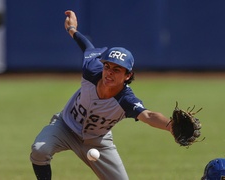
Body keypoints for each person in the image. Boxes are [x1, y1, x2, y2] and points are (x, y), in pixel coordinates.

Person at [30, 10, 173, 180]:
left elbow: (148, 115)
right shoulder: (92, 70)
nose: (109, 73)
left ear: (127, 75)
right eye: (107, 67)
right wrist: (72, 28)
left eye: (117, 70)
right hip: (65, 127)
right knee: (39, 150)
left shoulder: (125, 99)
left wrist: (171, 126)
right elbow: (87, 47)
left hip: (98, 141)